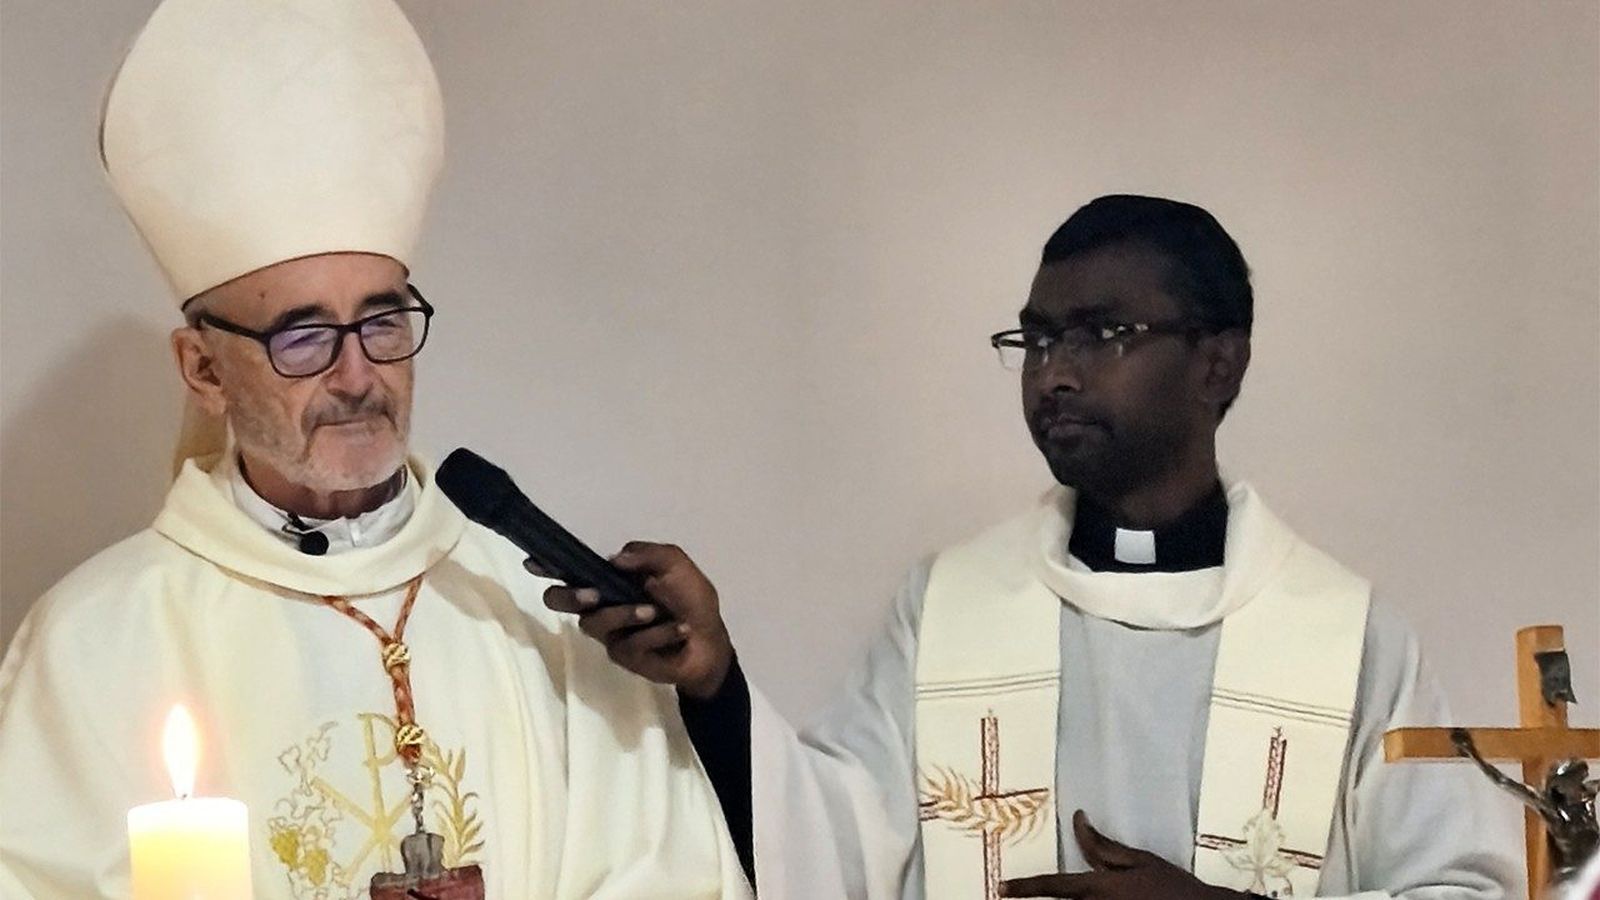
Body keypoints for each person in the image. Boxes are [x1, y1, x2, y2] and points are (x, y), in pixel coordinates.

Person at [549, 195, 1524, 898]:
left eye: (1101, 335)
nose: (1051, 375)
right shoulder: (950, 608)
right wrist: (715, 688)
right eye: (1035, 339)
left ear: (1217, 363)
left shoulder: (1348, 639)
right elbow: (839, 851)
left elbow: (1463, 892)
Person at [0, 1, 750, 896]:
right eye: (304, 335)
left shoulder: (542, 613)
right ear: (203, 367)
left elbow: (669, 873)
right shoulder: (96, 642)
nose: (359, 376)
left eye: (383, 320)